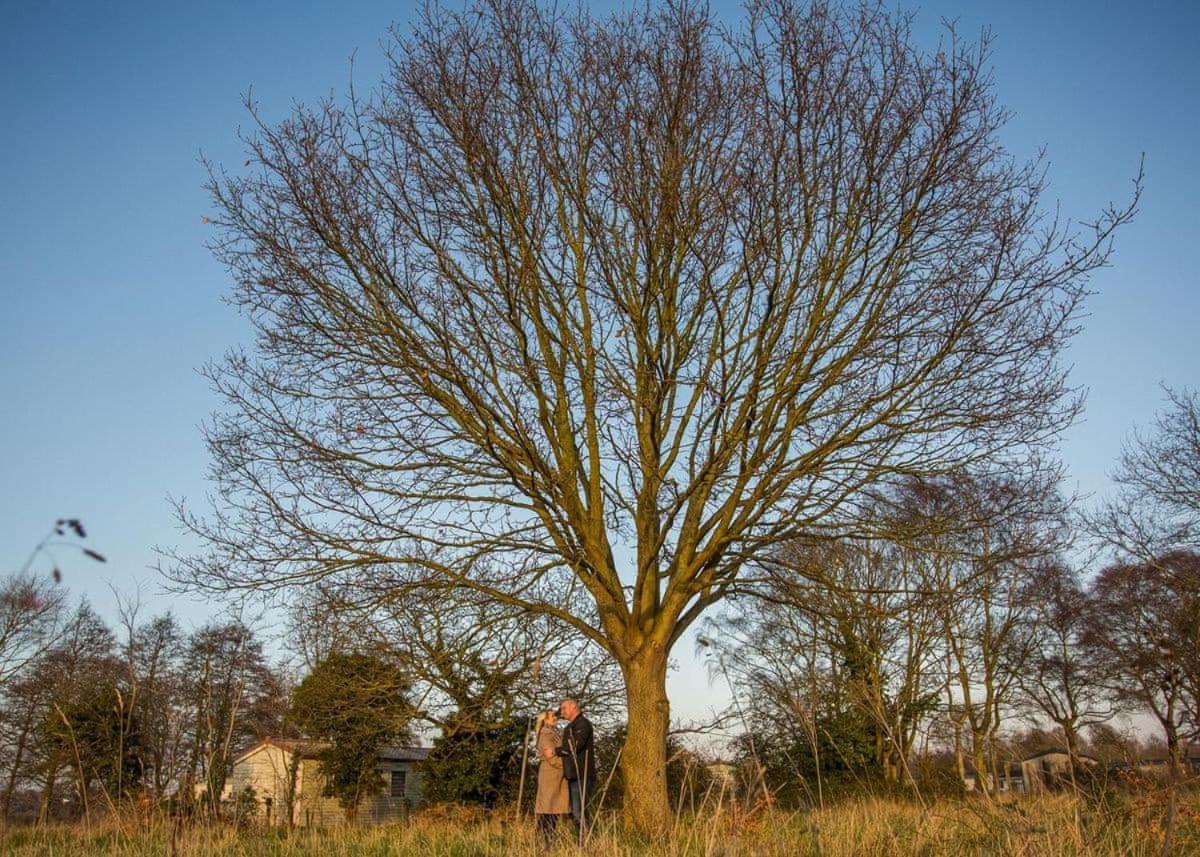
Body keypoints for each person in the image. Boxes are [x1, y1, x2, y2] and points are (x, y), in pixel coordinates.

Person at [555, 698, 596, 837]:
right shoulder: (571, 726)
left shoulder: (583, 724)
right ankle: (583, 840)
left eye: (564, 708)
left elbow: (575, 745)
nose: (562, 712)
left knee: (579, 812)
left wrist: (555, 751)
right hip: (572, 775)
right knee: (575, 813)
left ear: (573, 707)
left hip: (582, 774)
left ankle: (586, 842)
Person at [533, 708, 569, 841]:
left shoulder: (553, 731)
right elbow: (551, 756)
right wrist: (566, 764)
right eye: (553, 715)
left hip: (555, 775)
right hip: (551, 775)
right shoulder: (546, 733)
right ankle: (543, 838)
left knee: (552, 808)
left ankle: (546, 838)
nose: (556, 716)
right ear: (546, 719)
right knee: (549, 808)